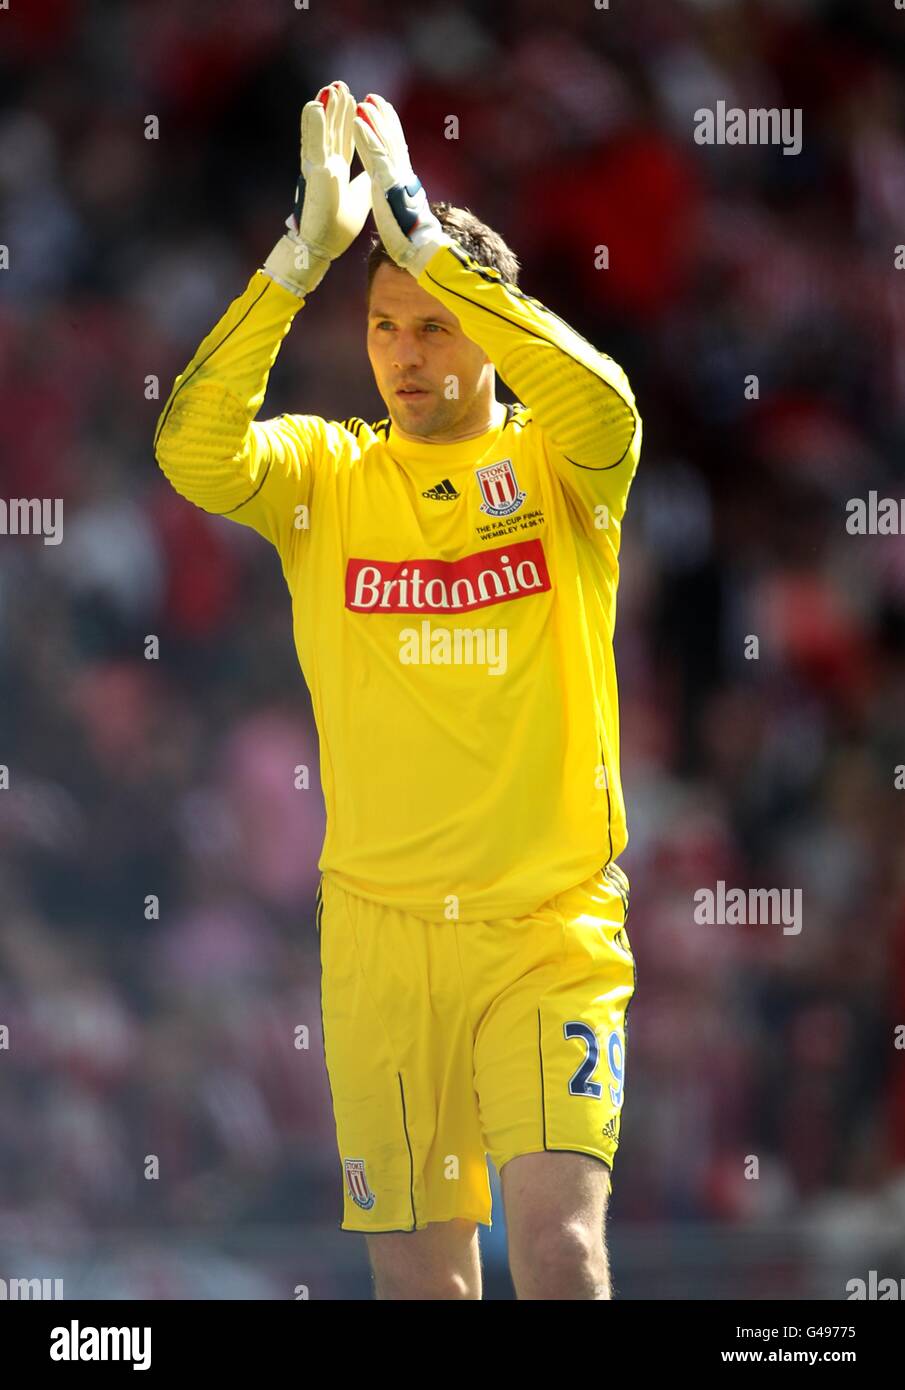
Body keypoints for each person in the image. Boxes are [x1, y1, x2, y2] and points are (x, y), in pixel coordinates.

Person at [154, 80, 642, 1300]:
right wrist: (301, 256)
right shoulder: (326, 472)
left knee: (561, 1249)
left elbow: (606, 400)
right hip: (379, 936)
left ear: (493, 332)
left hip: (546, 927)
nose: (406, 356)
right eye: (386, 325)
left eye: (435, 325)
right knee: (423, 1280)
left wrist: (423, 235)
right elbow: (193, 447)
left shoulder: (564, 467)